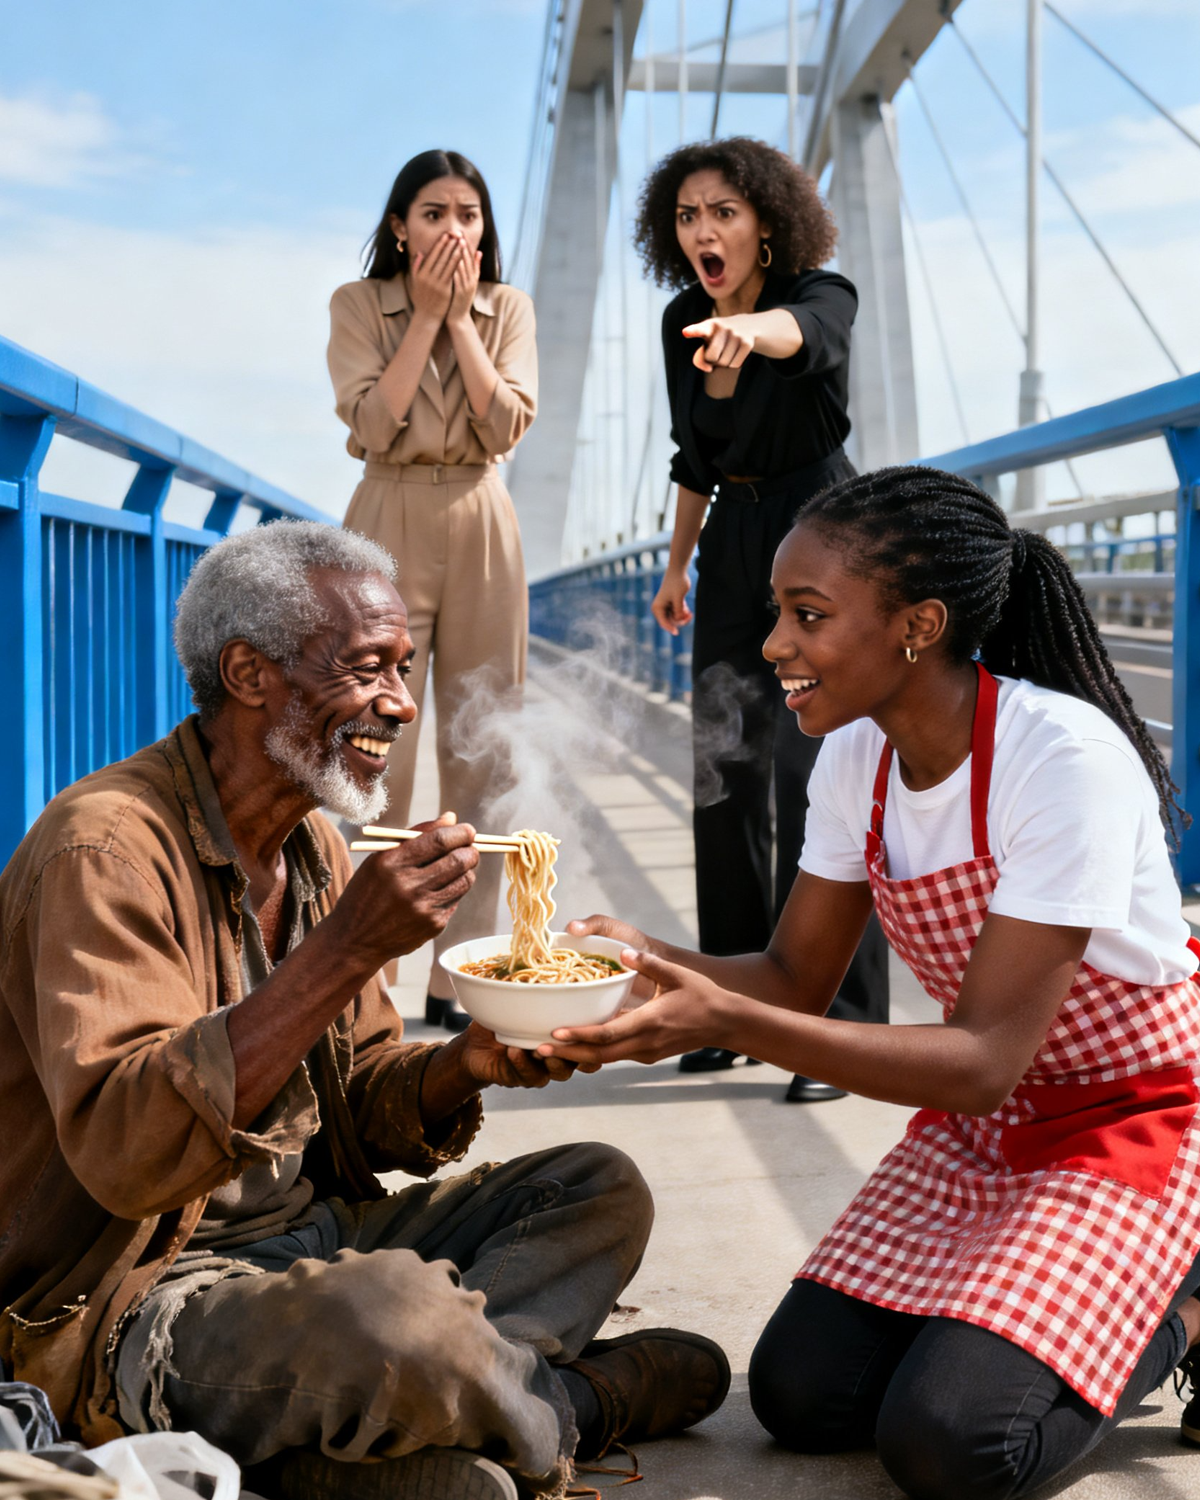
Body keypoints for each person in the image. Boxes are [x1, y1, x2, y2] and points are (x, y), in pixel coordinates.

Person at [0, 522, 729, 1500]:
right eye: (367, 670)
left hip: (309, 1240)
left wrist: (467, 1063)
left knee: (597, 1190)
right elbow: (128, 1156)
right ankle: (566, 1410)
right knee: (405, 1322)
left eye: (407, 668)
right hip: (146, 1296)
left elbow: (355, 1116)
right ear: (250, 674)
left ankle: (424, 1411)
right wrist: (348, 948)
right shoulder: (105, 852)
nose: (399, 703)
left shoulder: (313, 847)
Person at [541, 467, 1200, 1498]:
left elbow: (981, 1059)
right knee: (803, 1401)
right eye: (775, 613)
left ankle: (1184, 1302)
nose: (772, 646)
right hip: (987, 1131)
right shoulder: (859, 761)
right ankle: (1016, 1309)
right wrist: (647, 966)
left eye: (808, 616)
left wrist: (727, 1022)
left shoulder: (1058, 758)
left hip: (1129, 1127)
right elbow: (795, 977)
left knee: (953, 1443)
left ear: (918, 626)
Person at [633, 136, 887, 1099]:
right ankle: (731, 1007)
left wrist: (754, 332)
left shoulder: (825, 293)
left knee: (817, 772)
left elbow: (808, 340)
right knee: (723, 771)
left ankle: (839, 1022)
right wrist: (675, 567)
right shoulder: (679, 320)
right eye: (689, 215)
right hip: (732, 543)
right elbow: (692, 457)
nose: (705, 230)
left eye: (724, 212)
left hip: (823, 536)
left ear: (767, 225)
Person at [327, 148, 536, 1033]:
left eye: (471, 215)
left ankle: (462, 971)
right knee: (372, 748)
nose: (456, 230)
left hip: (483, 514)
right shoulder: (356, 305)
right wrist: (423, 318)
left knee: (481, 750)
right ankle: (359, 967)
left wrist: (462, 324)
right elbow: (372, 421)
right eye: (436, 213)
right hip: (387, 512)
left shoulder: (509, 309)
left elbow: (509, 421)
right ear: (399, 226)